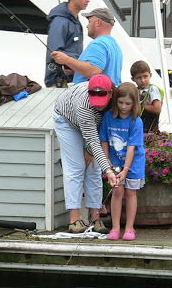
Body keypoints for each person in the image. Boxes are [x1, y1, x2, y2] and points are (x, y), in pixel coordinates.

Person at [53, 74, 117, 233]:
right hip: (67, 119)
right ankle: (74, 220)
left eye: (102, 101)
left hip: (91, 128)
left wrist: (90, 151)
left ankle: (95, 218)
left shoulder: (117, 101)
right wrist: (109, 171)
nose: (99, 105)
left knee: (94, 168)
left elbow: (102, 135)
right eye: (95, 101)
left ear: (110, 93)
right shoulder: (84, 105)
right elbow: (93, 141)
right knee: (76, 166)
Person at [100, 82, 145, 241]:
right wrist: (107, 161)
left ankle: (130, 228)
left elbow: (132, 148)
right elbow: (104, 140)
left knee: (131, 192)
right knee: (117, 191)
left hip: (133, 163)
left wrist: (126, 170)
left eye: (128, 103)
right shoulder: (108, 117)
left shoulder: (136, 121)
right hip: (115, 162)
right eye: (120, 102)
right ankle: (115, 227)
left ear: (134, 103)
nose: (124, 107)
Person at [52, 7, 123, 87]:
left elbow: (93, 70)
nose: (87, 26)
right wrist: (74, 68)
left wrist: (66, 60)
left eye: (89, 22)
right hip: (108, 92)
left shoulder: (98, 44)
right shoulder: (115, 46)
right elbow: (102, 71)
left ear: (98, 22)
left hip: (92, 94)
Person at [45, 0, 91, 88]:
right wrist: (79, 61)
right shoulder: (60, 22)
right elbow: (55, 53)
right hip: (60, 82)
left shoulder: (74, 21)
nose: (88, 0)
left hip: (71, 81)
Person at [130, 60, 162, 133]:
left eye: (145, 76)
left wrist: (140, 106)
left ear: (150, 75)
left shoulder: (153, 89)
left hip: (150, 128)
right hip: (138, 127)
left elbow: (157, 109)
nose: (143, 80)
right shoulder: (135, 90)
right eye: (139, 78)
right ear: (133, 79)